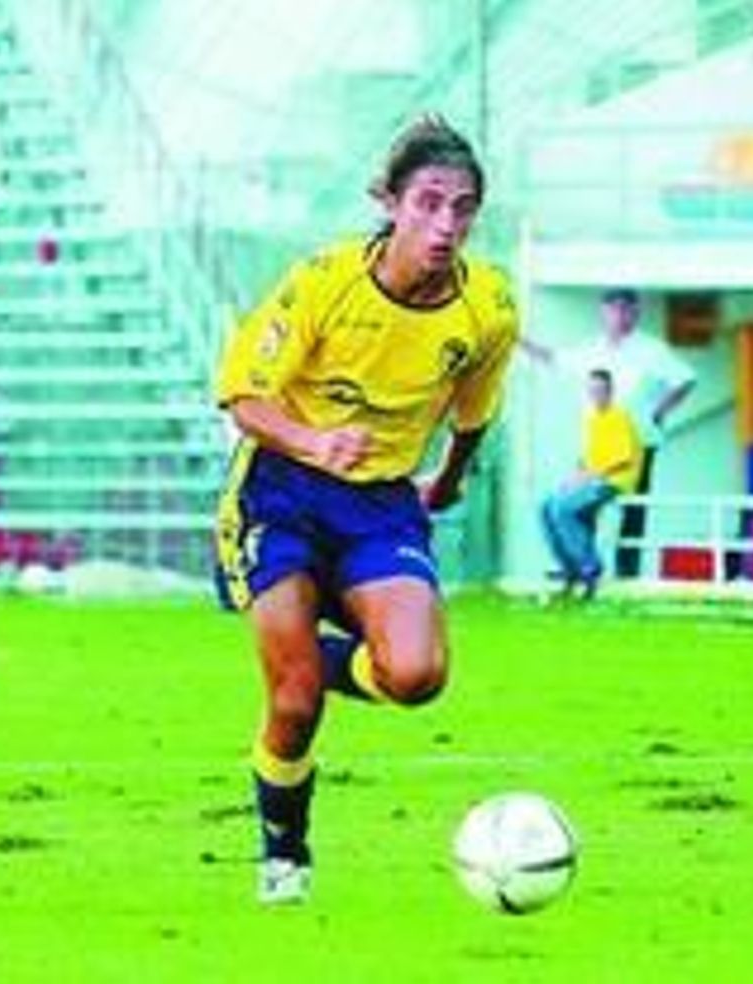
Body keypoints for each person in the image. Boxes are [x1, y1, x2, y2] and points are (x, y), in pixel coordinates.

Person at [213, 115, 519, 904]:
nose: (446, 225)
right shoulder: (324, 281)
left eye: (463, 208)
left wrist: (449, 480)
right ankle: (285, 854)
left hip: (381, 503)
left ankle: (305, 657)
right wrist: (314, 442)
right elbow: (243, 397)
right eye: (429, 203)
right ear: (389, 202)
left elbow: (475, 410)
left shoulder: (488, 306)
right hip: (281, 490)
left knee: (416, 675)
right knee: (294, 704)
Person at [524, 288, 694, 577]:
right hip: (598, 443)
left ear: (636, 313)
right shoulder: (591, 350)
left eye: (626, 308)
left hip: (636, 443)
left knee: (632, 509)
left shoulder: (651, 350)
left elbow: (685, 379)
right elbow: (553, 358)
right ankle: (582, 563)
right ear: (603, 312)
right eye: (613, 308)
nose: (619, 315)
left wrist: (659, 411)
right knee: (579, 505)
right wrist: (516, 339)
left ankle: (627, 571)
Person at [540, 368, 643, 600]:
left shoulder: (619, 416)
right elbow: (586, 461)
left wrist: (589, 477)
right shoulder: (592, 419)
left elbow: (622, 460)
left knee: (562, 509)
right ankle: (569, 568)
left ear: (610, 391)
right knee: (545, 506)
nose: (595, 395)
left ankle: (589, 568)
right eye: (592, 390)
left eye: (600, 390)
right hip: (593, 481)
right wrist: (572, 480)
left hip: (614, 481)